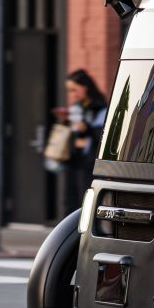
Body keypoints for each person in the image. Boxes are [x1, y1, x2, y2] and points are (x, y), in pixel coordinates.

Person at [62, 69, 108, 216]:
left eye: (74, 89)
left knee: (86, 200)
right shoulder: (76, 108)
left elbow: (102, 135)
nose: (72, 94)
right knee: (70, 199)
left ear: (85, 87)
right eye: (69, 91)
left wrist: (86, 128)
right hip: (73, 159)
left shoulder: (100, 108)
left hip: (89, 163)